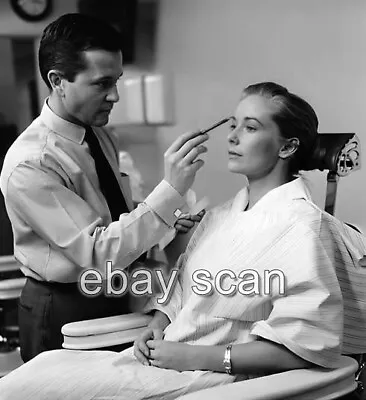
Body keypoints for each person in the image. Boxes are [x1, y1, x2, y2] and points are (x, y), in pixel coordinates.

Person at [0, 81, 365, 400]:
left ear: (287, 148)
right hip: (167, 359)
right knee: (41, 369)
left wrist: (199, 358)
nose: (233, 136)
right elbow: (180, 293)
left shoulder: (302, 226)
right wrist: (156, 324)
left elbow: (309, 344)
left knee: (22, 391)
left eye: (250, 127)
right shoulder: (219, 216)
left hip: (213, 377)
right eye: (233, 124)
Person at [0, 13, 208, 363]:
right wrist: (170, 190)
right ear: (57, 81)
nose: (115, 96)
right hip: (65, 306)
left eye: (118, 82)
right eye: (101, 83)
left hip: (114, 293)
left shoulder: (98, 134)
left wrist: (169, 217)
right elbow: (99, 253)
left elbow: (112, 214)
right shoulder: (31, 163)